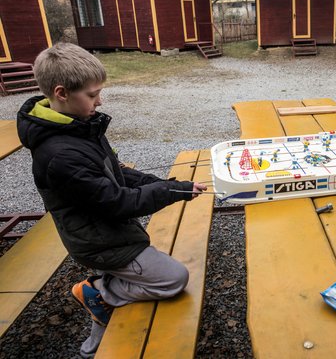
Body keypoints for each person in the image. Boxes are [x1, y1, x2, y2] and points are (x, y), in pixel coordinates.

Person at [17, 43, 207, 357]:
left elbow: (116, 173)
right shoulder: (60, 155)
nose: (99, 101)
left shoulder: (77, 126)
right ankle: (99, 290)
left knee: (130, 286)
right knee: (174, 279)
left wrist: (170, 185)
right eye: (92, 95)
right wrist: (170, 192)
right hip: (98, 242)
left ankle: (92, 348)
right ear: (62, 93)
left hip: (105, 229)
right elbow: (117, 201)